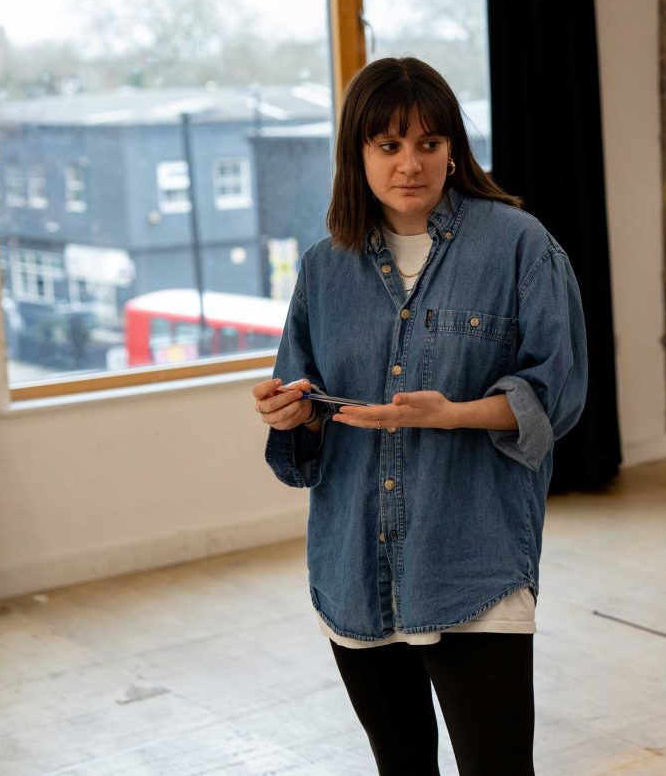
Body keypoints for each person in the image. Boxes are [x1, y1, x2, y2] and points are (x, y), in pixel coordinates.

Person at [251, 56, 587, 775]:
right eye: (390, 145)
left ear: (453, 149)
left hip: (473, 562)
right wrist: (290, 415)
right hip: (355, 570)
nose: (412, 163)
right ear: (359, 153)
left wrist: (452, 413)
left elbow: (556, 394)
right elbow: (305, 416)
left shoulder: (519, 245)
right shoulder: (322, 269)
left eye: (430, 144)